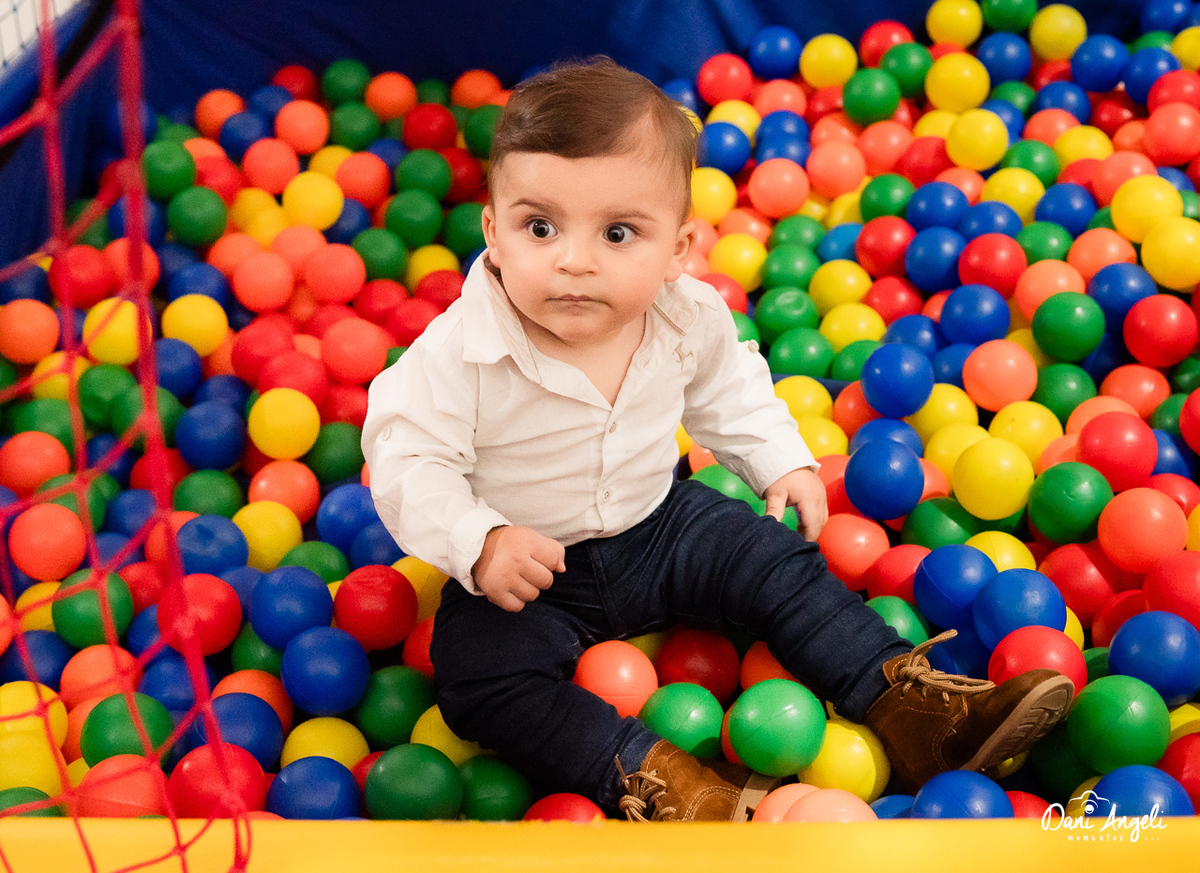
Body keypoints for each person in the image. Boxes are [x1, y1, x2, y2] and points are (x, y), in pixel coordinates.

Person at [362, 57, 1074, 821]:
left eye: (617, 232)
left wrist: (778, 459)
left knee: (774, 560)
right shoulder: (459, 352)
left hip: (658, 525)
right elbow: (407, 458)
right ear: (494, 233)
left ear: (678, 248)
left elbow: (728, 386)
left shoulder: (685, 315)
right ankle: (663, 780)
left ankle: (912, 712)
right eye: (541, 226)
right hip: (526, 567)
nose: (574, 259)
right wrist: (479, 541)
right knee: (478, 677)